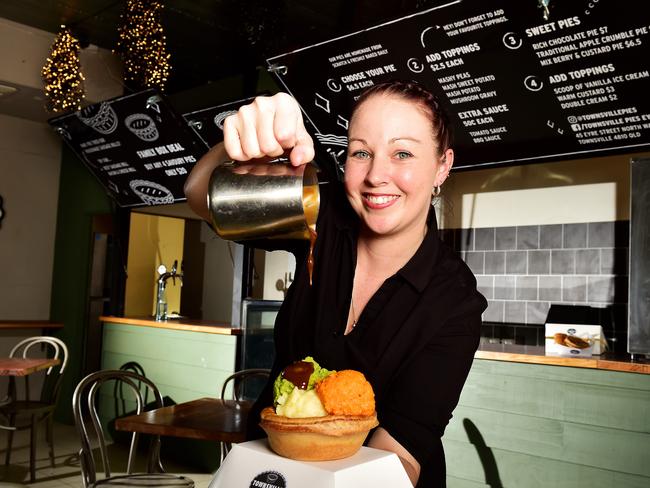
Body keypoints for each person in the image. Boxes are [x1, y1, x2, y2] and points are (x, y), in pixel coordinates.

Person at [185, 80, 487, 487]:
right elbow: (199, 194)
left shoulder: (454, 299)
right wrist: (240, 141)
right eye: (361, 152)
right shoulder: (321, 216)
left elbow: (401, 452)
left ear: (442, 165)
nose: (376, 175)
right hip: (269, 471)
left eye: (403, 153)